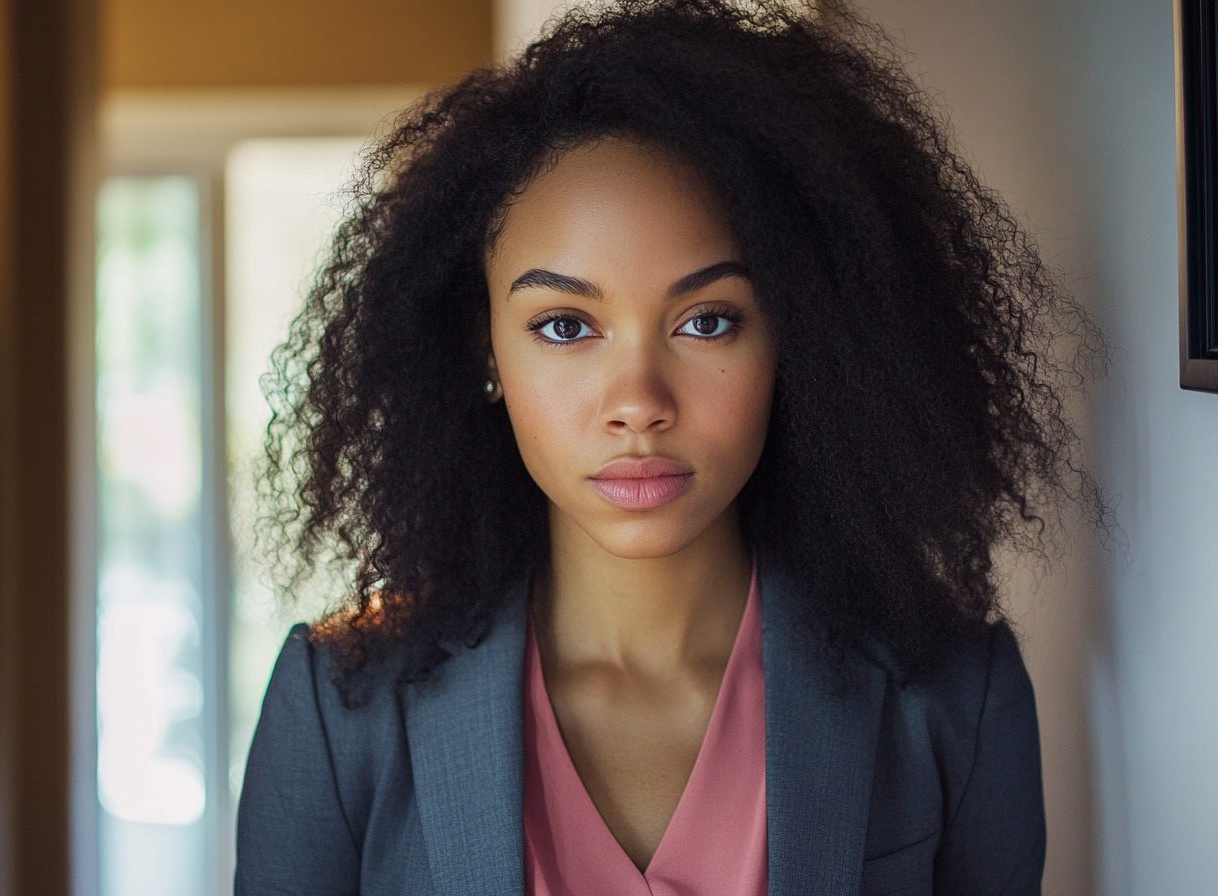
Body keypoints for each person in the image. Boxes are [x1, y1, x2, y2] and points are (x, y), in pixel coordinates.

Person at [236, 1, 1101, 893]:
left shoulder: (958, 695)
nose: (639, 405)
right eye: (566, 325)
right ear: (480, 348)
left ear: (798, 338)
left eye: (708, 320)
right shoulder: (340, 708)